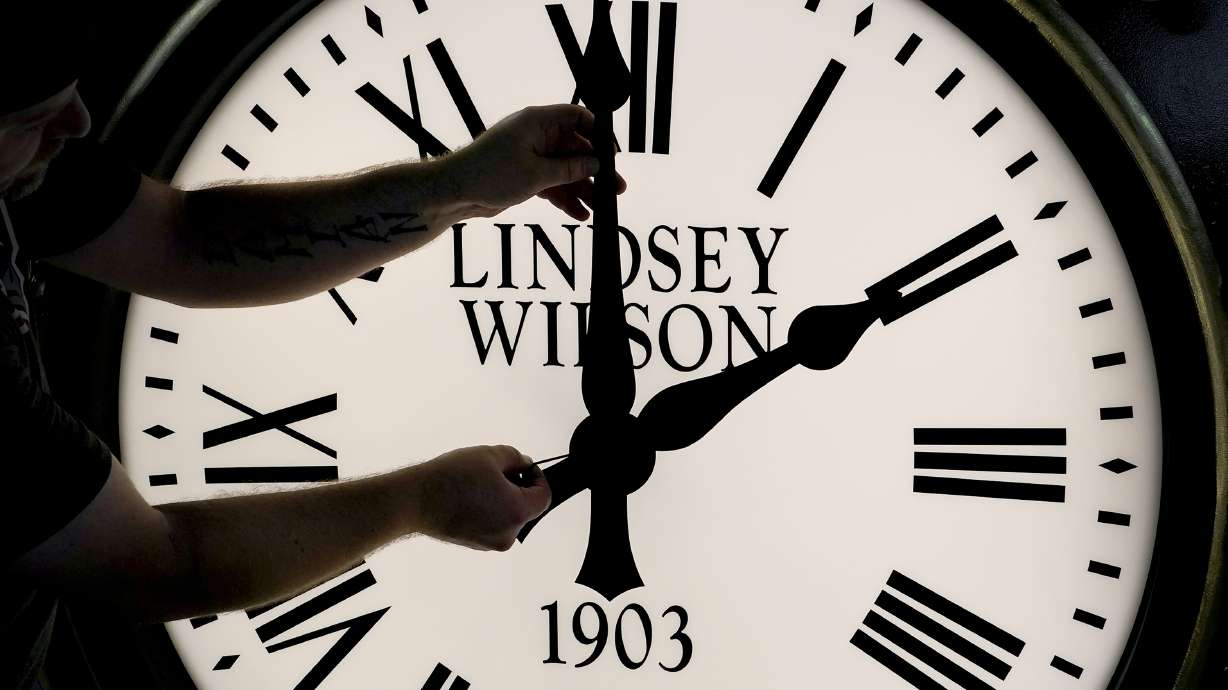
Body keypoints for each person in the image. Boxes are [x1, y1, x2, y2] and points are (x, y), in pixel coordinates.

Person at [0, 11, 626, 690]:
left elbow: (186, 240)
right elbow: (155, 567)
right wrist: (422, 502)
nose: (78, 125)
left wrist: (464, 185)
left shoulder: (18, 173)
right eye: (36, 116)